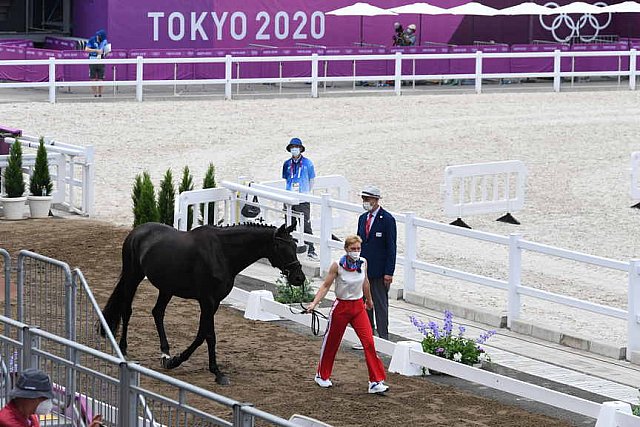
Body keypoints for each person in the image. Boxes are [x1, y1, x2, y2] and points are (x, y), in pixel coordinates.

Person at [306, 235, 389, 394]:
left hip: (358, 307)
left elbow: (365, 282)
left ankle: (375, 381)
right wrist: (314, 303)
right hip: (341, 307)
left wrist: (369, 300)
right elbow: (325, 286)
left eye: (358, 249)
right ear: (346, 249)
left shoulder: (363, 262)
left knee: (369, 342)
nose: (356, 252)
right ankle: (321, 375)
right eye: (353, 249)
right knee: (332, 342)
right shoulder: (337, 266)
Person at [357, 185, 396, 342]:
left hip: (380, 271)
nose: (365, 202)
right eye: (363, 199)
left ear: (375, 200)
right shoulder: (362, 218)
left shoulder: (387, 219)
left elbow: (391, 247)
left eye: (367, 199)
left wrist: (389, 272)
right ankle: (367, 336)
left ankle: (383, 337)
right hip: (364, 270)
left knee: (380, 305)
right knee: (365, 303)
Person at [0, 368, 104, 427]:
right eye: (45, 398)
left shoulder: (29, 416)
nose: (48, 403)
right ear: (31, 398)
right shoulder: (7, 422)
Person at [282, 137, 318, 260]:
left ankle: (311, 250)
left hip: (303, 198)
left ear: (301, 149)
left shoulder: (308, 163)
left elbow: (312, 180)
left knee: (305, 224)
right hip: (289, 197)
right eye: (292, 148)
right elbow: (286, 179)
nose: (294, 150)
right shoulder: (287, 164)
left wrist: (305, 192)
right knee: (289, 224)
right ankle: (291, 248)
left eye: (296, 147)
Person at [85, 29, 109, 98]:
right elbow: (86, 49)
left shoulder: (105, 41)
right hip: (92, 60)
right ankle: (95, 94)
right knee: (92, 78)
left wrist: (106, 52)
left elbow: (106, 53)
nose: (97, 36)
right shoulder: (92, 39)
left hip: (101, 60)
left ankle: (100, 94)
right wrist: (96, 50)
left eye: (99, 35)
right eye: (97, 35)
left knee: (101, 78)